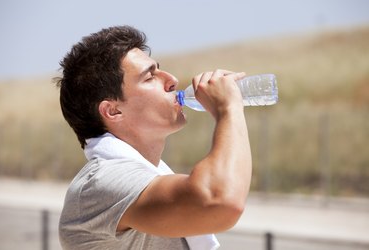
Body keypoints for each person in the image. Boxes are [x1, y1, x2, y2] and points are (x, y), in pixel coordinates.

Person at [56, 25, 252, 250]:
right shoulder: (101, 183)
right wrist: (229, 109)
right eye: (150, 77)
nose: (172, 79)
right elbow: (218, 201)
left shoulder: (147, 175)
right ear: (113, 111)